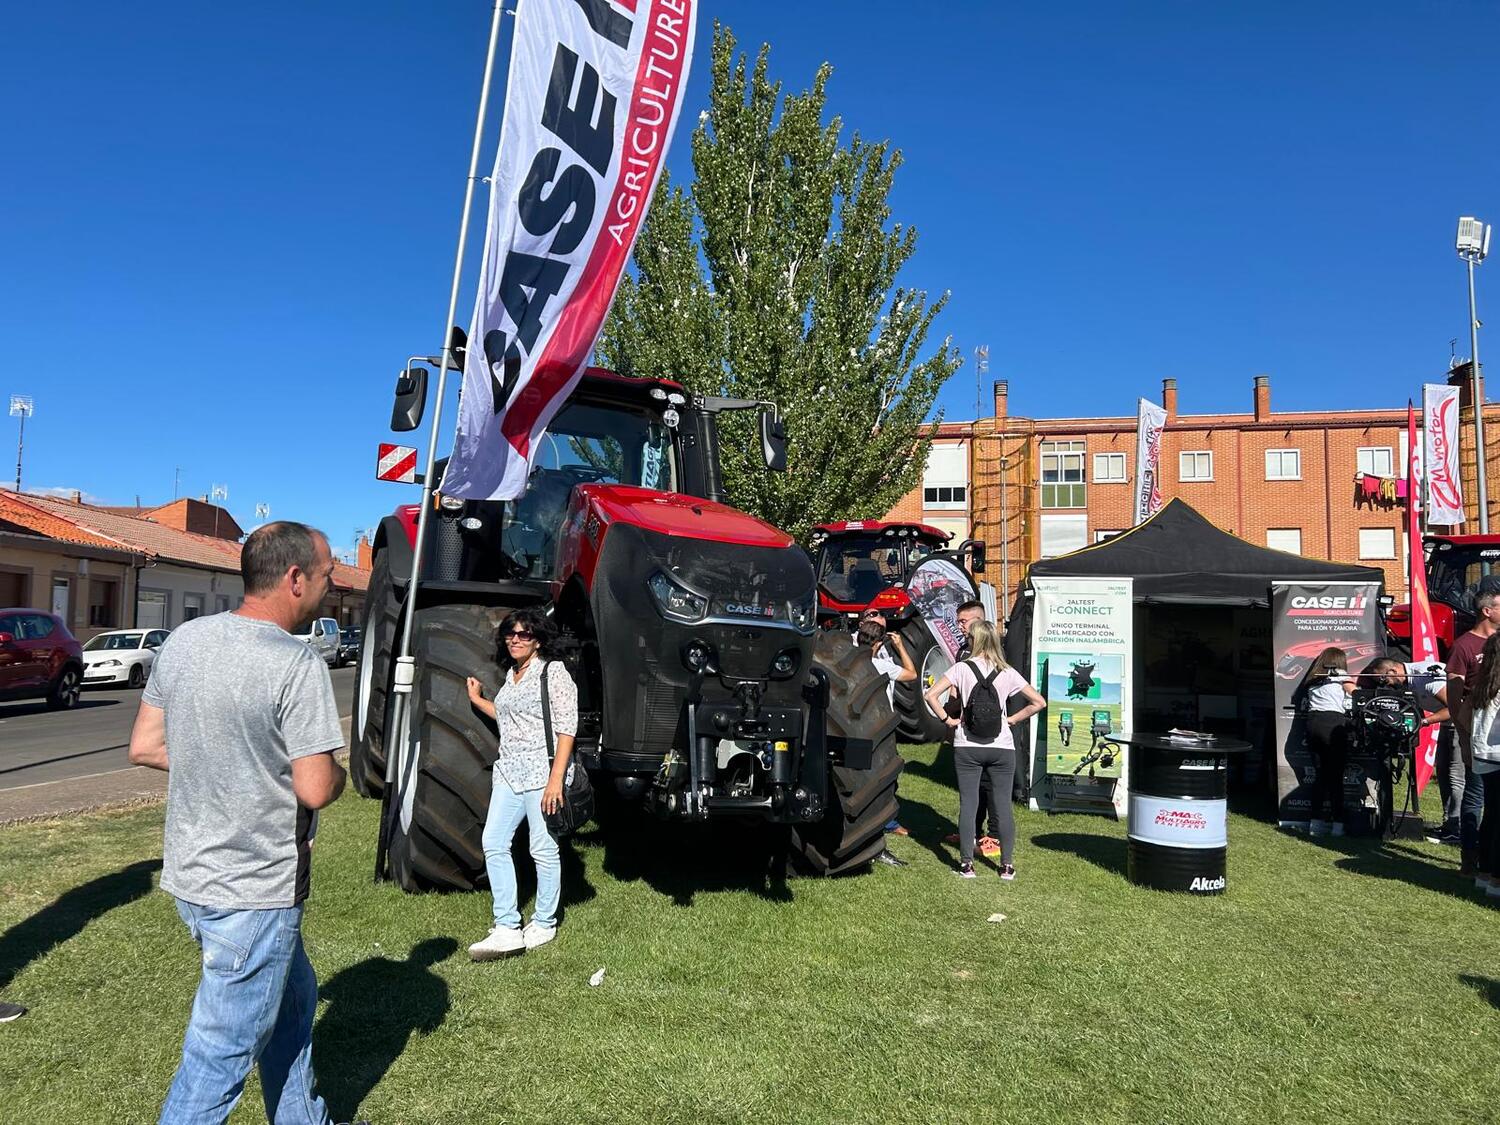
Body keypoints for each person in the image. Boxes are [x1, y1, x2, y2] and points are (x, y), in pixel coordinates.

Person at [128, 522, 347, 1125]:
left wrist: (226, 759)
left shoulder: (185, 641)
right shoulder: (296, 663)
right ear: (295, 578)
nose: (330, 587)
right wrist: (340, 775)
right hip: (255, 893)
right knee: (218, 1060)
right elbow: (314, 787)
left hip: (193, 878)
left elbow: (146, 744)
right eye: (327, 575)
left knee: (295, 1005)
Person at [466, 608, 578, 959]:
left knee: (542, 848)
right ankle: (506, 927)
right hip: (510, 772)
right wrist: (478, 700)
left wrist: (555, 780)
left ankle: (544, 922)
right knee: (494, 842)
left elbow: (566, 727)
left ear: (538, 639)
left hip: (542, 773)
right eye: (511, 634)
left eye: (524, 634)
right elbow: (510, 717)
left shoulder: (552, 672)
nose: (515, 639)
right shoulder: (513, 675)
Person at [924, 621, 1045, 879]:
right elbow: (1038, 702)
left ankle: (967, 865)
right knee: (1003, 806)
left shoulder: (961, 668)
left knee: (969, 804)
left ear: (974, 641)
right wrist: (1011, 720)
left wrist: (948, 720)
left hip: (967, 745)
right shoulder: (1008, 671)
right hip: (1001, 747)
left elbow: (930, 695)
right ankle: (1007, 866)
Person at [1365, 656, 1455, 842]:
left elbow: (1455, 707)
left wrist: (1423, 722)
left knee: (1456, 778)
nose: (1385, 684)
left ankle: (1457, 827)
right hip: (1448, 726)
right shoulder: (1406, 683)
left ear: (1392, 672)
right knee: (1444, 775)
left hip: (1462, 725)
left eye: (1384, 679)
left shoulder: (1425, 679)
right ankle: (1449, 825)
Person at [943, 600, 1003, 858]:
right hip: (967, 731)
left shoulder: (997, 653)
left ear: (978, 621)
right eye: (958, 621)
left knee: (992, 787)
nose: (960, 626)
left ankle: (995, 836)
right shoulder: (962, 652)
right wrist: (952, 714)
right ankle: (973, 833)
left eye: (964, 621)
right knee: (972, 786)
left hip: (993, 733)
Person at [1447, 589, 1500, 878]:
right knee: (1476, 798)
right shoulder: (1464, 645)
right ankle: (1470, 858)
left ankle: (1487, 862)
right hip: (1476, 732)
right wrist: (1462, 736)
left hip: (1490, 733)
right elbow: (1455, 694)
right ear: (1487, 611)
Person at [1297, 646, 1355, 836]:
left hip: (1312, 724)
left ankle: (1316, 823)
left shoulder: (1314, 680)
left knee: (1320, 776)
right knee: (1336, 777)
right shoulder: (1342, 677)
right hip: (1332, 723)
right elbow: (1356, 694)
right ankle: (1338, 826)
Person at [1461, 632, 1500, 899]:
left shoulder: (1483, 685)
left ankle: (1485, 875)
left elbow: (1463, 717)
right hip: (1497, 756)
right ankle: (1495, 878)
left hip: (1484, 757)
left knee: (1492, 815)